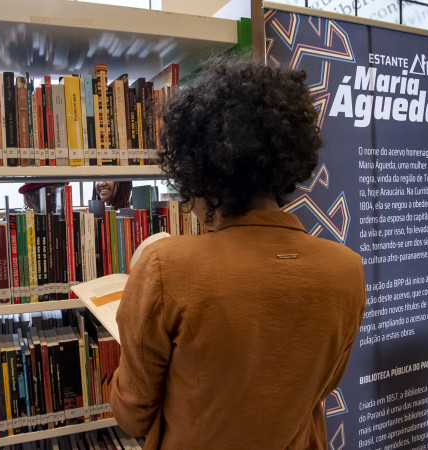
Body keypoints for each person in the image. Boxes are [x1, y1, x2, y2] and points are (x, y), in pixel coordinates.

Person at [110, 55, 367, 449]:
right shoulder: (346, 269)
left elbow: (133, 415)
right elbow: (324, 383)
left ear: (198, 171)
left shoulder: (164, 267)